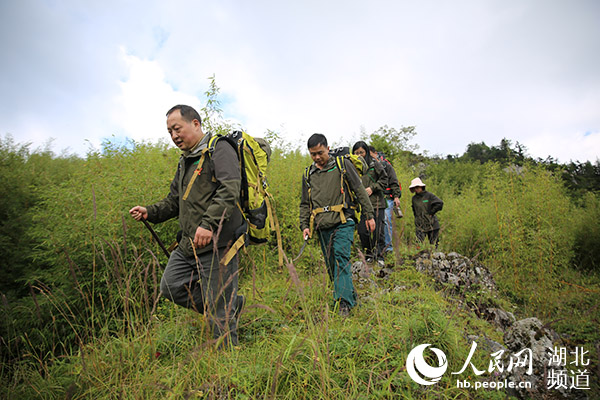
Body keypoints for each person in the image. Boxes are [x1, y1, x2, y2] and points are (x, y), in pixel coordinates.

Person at [129, 104, 244, 347]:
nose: (174, 136)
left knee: (218, 307)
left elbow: (229, 190)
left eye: (177, 128)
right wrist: (150, 212)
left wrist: (208, 224)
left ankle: (227, 364)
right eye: (169, 132)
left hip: (218, 243)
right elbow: (174, 201)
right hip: (188, 244)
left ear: (195, 123)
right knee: (171, 286)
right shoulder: (185, 161)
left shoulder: (220, 149)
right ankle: (230, 304)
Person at [300, 134, 375, 316]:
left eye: (320, 152)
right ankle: (350, 297)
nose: (317, 157)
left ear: (327, 148)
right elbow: (304, 203)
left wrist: (369, 214)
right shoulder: (308, 173)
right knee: (331, 265)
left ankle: (343, 304)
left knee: (341, 259)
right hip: (322, 225)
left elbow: (358, 189)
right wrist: (304, 225)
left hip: (344, 221)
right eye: (313, 154)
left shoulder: (342, 165)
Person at [352, 141, 388, 266]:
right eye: (356, 153)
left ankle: (379, 255)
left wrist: (373, 188)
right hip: (364, 205)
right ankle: (368, 254)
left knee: (378, 230)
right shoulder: (355, 168)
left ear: (366, 152)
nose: (359, 155)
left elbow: (384, 180)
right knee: (363, 231)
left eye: (361, 152)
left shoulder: (375, 164)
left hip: (377, 203)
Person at [369, 146, 401, 253]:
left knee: (386, 222)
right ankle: (376, 247)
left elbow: (394, 181)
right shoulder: (368, 167)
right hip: (374, 199)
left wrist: (396, 196)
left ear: (375, 153)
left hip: (387, 198)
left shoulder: (386, 165)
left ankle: (388, 248)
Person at [409, 177, 443, 248]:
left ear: (421, 187)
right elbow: (414, 210)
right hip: (420, 225)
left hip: (432, 224)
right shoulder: (414, 199)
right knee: (418, 244)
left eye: (417, 187)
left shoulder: (429, 196)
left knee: (434, 245)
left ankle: (435, 257)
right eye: (415, 188)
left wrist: (431, 212)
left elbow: (440, 203)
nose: (416, 189)